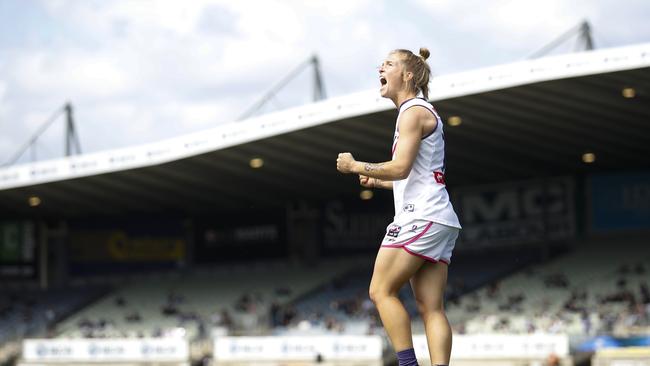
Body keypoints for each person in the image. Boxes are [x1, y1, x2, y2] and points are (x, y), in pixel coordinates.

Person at [336, 47, 461, 366]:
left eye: (389, 64)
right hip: (440, 217)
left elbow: (401, 167)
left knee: (380, 290)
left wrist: (356, 166)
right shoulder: (420, 111)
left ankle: (408, 364)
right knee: (431, 307)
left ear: (408, 75)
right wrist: (378, 181)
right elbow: (416, 174)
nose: (381, 67)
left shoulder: (412, 112)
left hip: (421, 217)